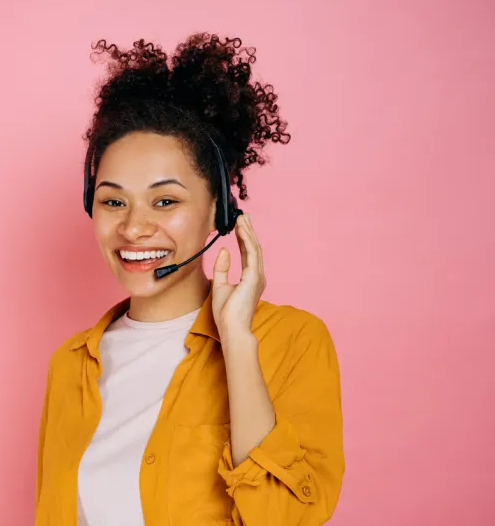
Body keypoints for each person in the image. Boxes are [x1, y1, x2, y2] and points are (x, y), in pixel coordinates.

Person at [35, 33, 344, 526]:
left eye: (165, 201)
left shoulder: (293, 343)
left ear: (219, 211)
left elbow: (286, 518)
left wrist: (238, 343)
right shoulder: (69, 368)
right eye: (113, 201)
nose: (134, 228)